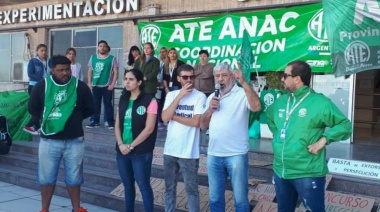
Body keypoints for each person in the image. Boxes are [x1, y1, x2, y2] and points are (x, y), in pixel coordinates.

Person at [266, 60, 352, 212]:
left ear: (297, 78)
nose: (282, 79)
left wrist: (323, 140)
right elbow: (270, 118)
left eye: (285, 75)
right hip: (281, 171)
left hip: (307, 172)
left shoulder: (320, 103)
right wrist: (278, 138)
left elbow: (345, 125)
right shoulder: (281, 101)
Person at [28, 55, 94, 212]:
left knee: (74, 178)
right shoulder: (42, 86)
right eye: (60, 70)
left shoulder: (80, 86)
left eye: (67, 69)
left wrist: (73, 119)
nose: (65, 73)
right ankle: (44, 209)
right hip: (49, 141)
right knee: (46, 178)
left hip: (75, 141)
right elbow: (33, 108)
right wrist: (51, 120)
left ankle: (76, 208)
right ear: (52, 70)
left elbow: (90, 109)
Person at [200, 63, 261, 211]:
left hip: (236, 155)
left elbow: (257, 107)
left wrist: (244, 82)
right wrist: (209, 110)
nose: (220, 79)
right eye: (217, 76)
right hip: (214, 154)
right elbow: (202, 125)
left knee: (240, 200)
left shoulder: (241, 93)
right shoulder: (211, 98)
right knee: (215, 199)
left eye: (224, 75)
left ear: (232, 77)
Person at [162, 64, 206, 212]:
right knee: (169, 188)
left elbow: (196, 122)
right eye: (185, 77)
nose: (189, 80)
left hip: (189, 153)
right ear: (179, 78)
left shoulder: (200, 96)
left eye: (192, 77)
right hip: (170, 150)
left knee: (192, 191)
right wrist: (179, 96)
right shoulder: (171, 95)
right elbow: (164, 118)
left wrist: (174, 115)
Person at [115, 69, 158, 212]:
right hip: (122, 151)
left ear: (139, 82)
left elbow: (149, 128)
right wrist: (121, 144)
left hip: (140, 151)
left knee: (143, 185)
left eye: (131, 79)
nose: (127, 82)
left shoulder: (150, 101)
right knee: (127, 185)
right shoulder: (123, 98)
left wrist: (131, 146)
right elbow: (117, 124)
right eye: (125, 78)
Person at [86, 40, 118, 129]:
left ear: (107, 48)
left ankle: (110, 122)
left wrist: (113, 84)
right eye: (100, 46)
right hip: (95, 85)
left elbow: (116, 72)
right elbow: (89, 71)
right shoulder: (93, 58)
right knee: (95, 104)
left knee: (107, 104)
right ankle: (94, 121)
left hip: (107, 85)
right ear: (98, 47)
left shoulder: (112, 58)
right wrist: (89, 83)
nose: (102, 48)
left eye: (104, 46)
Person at [23, 44, 51, 135]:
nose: (44, 52)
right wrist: (43, 80)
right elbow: (30, 74)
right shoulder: (33, 61)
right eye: (41, 50)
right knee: (40, 108)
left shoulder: (49, 61)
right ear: (37, 51)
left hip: (45, 86)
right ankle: (29, 125)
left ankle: (38, 128)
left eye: (45, 50)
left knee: (42, 107)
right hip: (34, 87)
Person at [157, 47, 168, 129]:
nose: (162, 53)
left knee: (166, 103)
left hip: (167, 86)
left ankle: (166, 120)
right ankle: (159, 120)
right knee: (159, 104)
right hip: (159, 86)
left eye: (164, 52)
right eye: (161, 52)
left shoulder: (168, 62)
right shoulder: (159, 62)